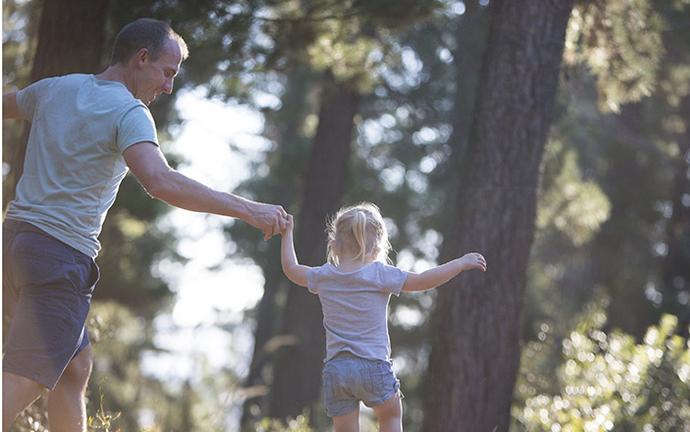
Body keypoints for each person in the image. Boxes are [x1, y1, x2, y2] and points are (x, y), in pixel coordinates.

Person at [2, 18, 288, 432]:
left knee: (74, 367)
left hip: (13, 247)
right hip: (58, 258)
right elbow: (161, 181)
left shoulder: (55, 88)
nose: (168, 86)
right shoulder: (129, 111)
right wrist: (248, 210)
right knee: (23, 380)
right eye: (167, 73)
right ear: (141, 58)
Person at [280, 202, 486, 432]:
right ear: (376, 251)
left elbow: (291, 268)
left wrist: (287, 233)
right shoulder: (379, 273)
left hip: (337, 370)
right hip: (372, 364)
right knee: (390, 417)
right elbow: (424, 280)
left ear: (333, 245)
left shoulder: (323, 276)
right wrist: (459, 263)